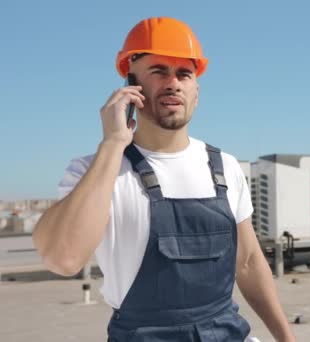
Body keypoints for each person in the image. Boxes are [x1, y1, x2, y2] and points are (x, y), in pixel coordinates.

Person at [33, 16, 296, 342]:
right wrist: (113, 144)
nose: (173, 82)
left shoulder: (225, 167)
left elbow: (248, 263)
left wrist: (287, 338)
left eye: (184, 73)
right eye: (158, 71)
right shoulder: (97, 171)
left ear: (196, 93)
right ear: (131, 87)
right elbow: (63, 258)